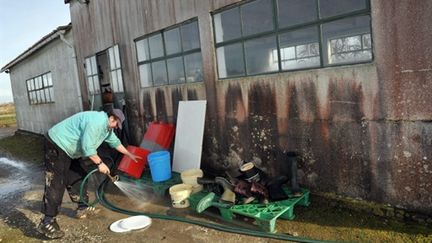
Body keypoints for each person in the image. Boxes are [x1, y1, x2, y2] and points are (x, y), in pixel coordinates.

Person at [37, 109, 141, 239]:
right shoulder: (96, 122)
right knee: (57, 181)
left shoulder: (107, 128)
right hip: (57, 143)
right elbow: (87, 148)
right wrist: (99, 163)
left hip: (71, 149)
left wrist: (129, 154)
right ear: (112, 118)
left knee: (78, 174)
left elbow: (115, 142)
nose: (115, 127)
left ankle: (82, 207)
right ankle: (47, 221)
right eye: (116, 124)